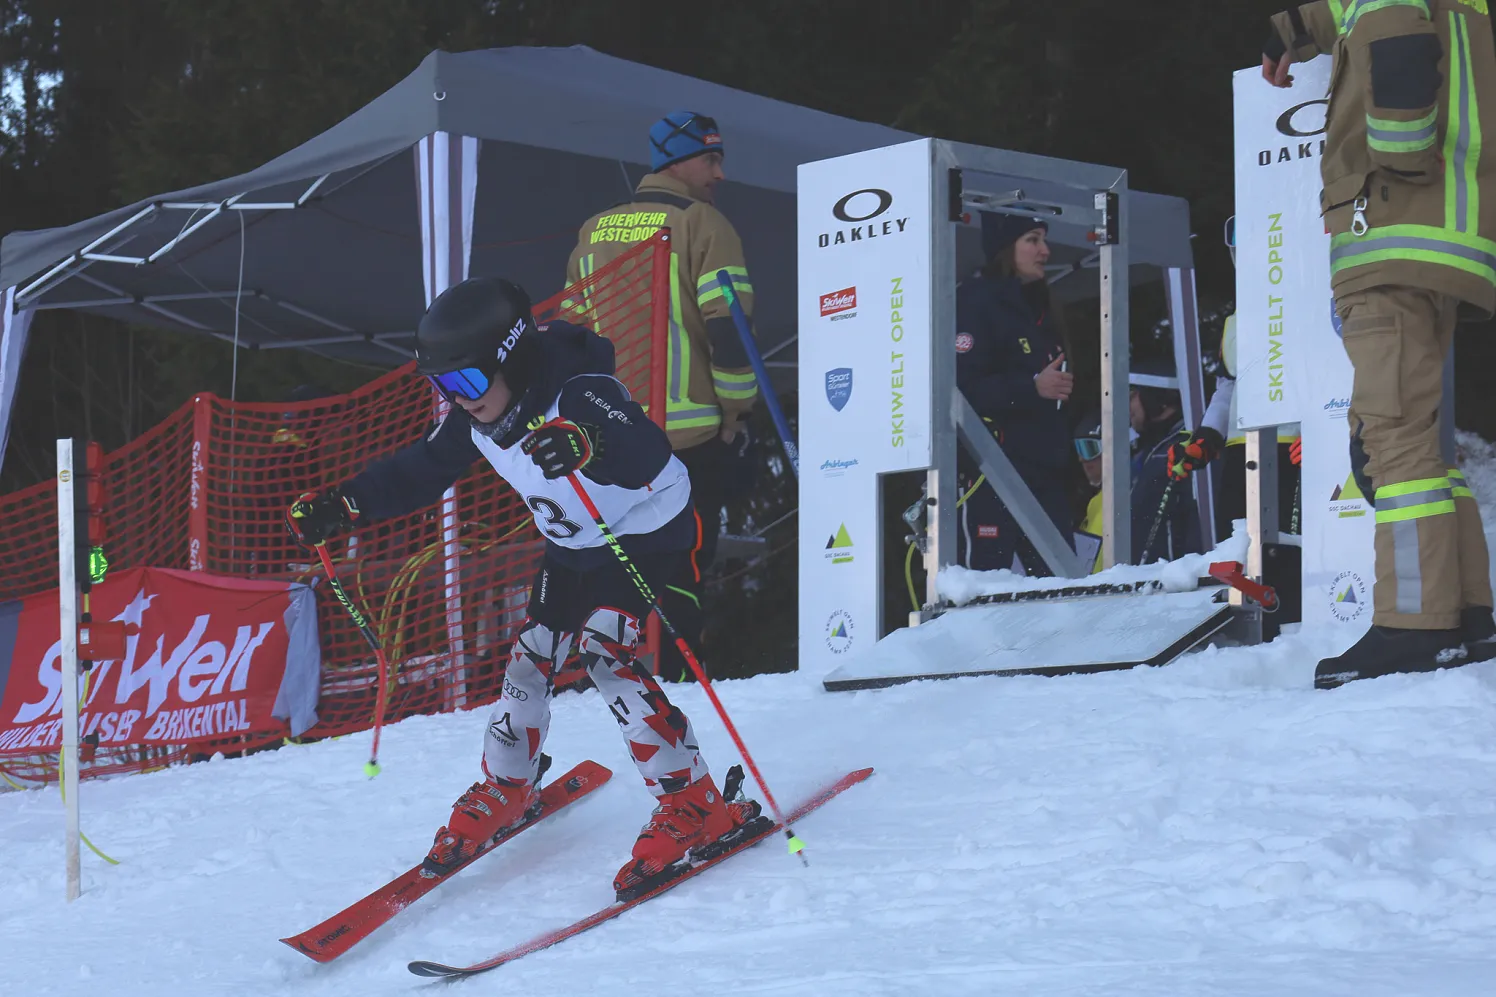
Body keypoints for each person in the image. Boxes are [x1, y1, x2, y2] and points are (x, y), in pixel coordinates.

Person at [284, 277, 760, 895]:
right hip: (572, 546)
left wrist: (587, 443)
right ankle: (509, 783)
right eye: (442, 386)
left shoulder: (578, 391)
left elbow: (644, 449)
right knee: (531, 656)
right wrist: (346, 504)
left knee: (604, 652)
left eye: (467, 381)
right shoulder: (478, 417)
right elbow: (419, 471)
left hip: (645, 533)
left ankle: (694, 804)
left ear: (510, 359)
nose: (458, 399)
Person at [1262, 1, 1496, 682]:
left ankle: (1415, 624)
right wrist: (1291, 31)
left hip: (1389, 228)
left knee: (1390, 436)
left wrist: (1394, 163)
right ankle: (1468, 614)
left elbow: (1397, 44)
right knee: (1413, 439)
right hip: (1430, 238)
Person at [568, 110, 758, 679]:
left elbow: (571, 339)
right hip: (685, 440)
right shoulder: (702, 223)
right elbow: (729, 330)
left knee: (614, 568)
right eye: (711, 159)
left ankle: (606, 686)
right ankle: (678, 690)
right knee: (679, 567)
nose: (720, 174)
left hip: (605, 441)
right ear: (676, 161)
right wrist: (736, 414)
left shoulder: (593, 230)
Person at [953, 212, 1075, 574]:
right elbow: (961, 390)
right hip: (991, 469)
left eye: (1043, 240)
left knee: (1062, 585)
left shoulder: (1040, 304)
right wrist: (1031, 387)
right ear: (1006, 247)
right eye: (1033, 240)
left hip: (1043, 470)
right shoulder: (975, 301)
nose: (1045, 251)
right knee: (984, 586)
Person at [1168, 220, 1302, 539]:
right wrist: (1207, 435)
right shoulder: (1236, 321)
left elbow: (1334, 378)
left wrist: (1326, 435)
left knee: (1291, 556)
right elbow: (1228, 387)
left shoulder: (1310, 305)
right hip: (1241, 454)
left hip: (1294, 454)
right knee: (1237, 552)